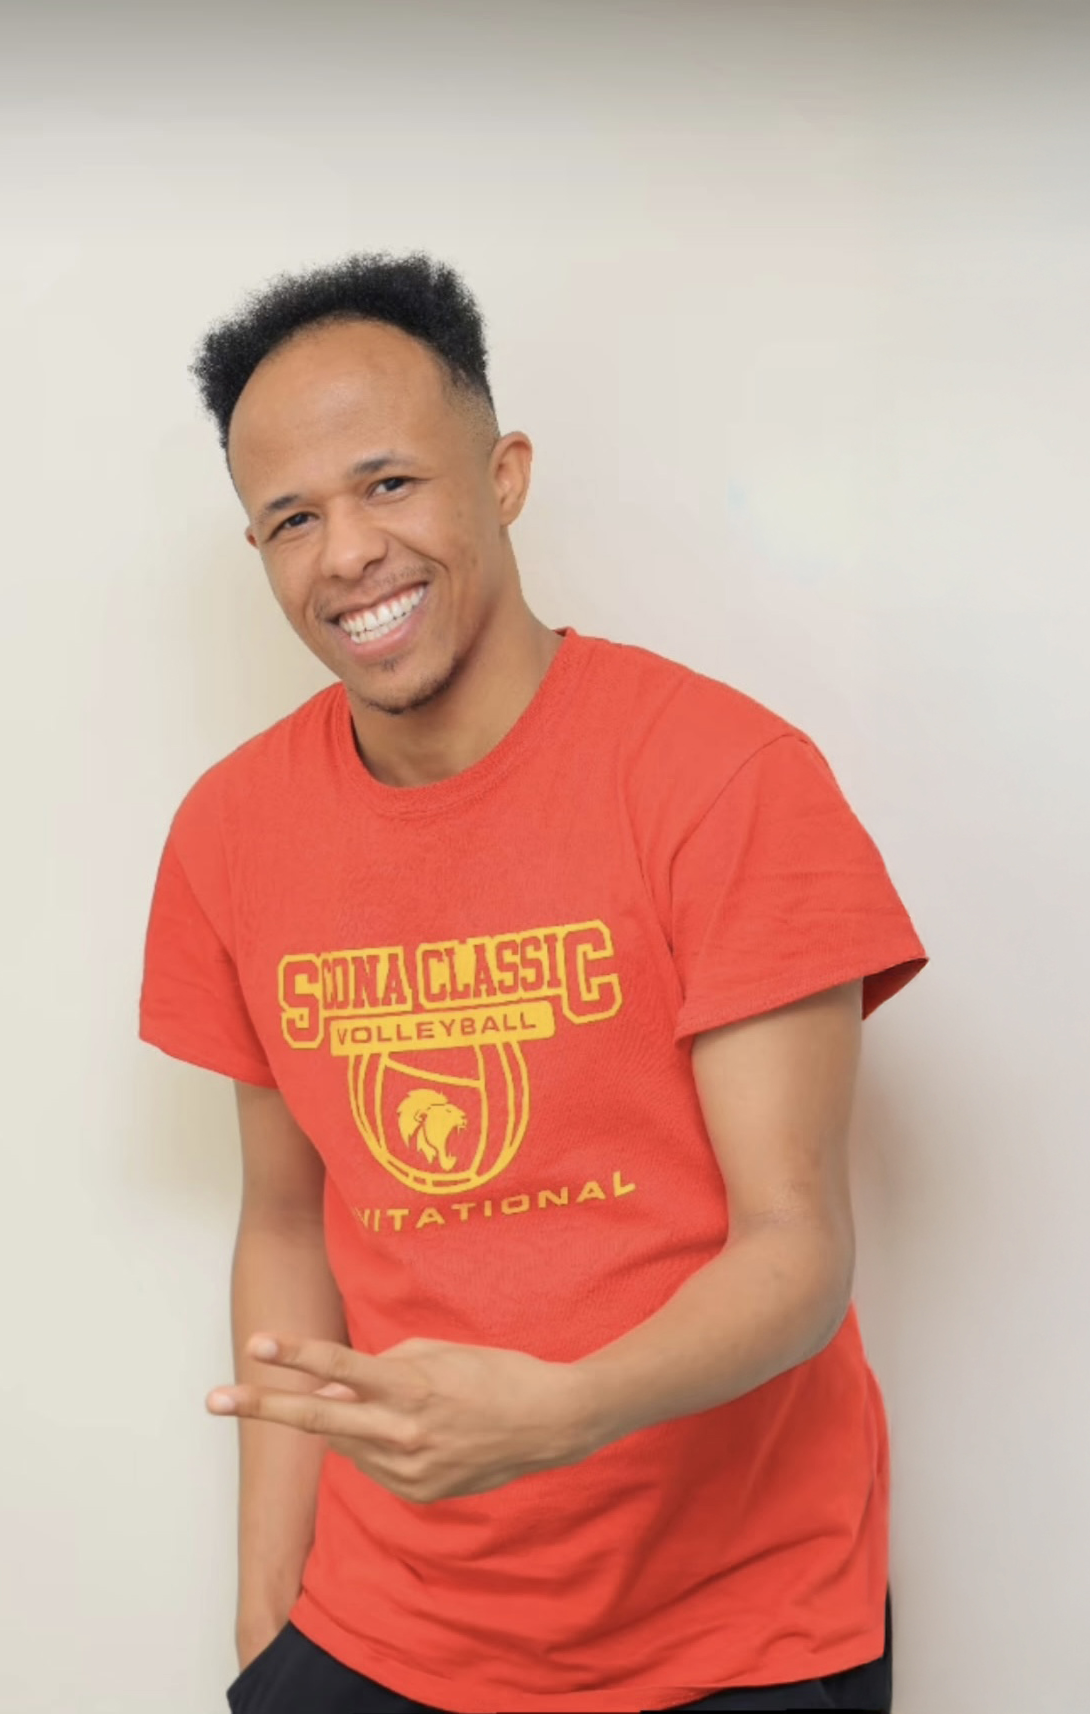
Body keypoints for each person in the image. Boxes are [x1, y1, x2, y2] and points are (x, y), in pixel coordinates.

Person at [139, 253, 926, 1714]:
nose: (347, 554)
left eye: (388, 484)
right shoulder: (230, 833)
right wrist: (265, 1609)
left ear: (502, 477)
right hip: (383, 1622)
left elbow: (798, 1246)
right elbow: (288, 1220)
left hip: (732, 1632)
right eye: (293, 519)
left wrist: (562, 1411)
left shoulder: (722, 779)